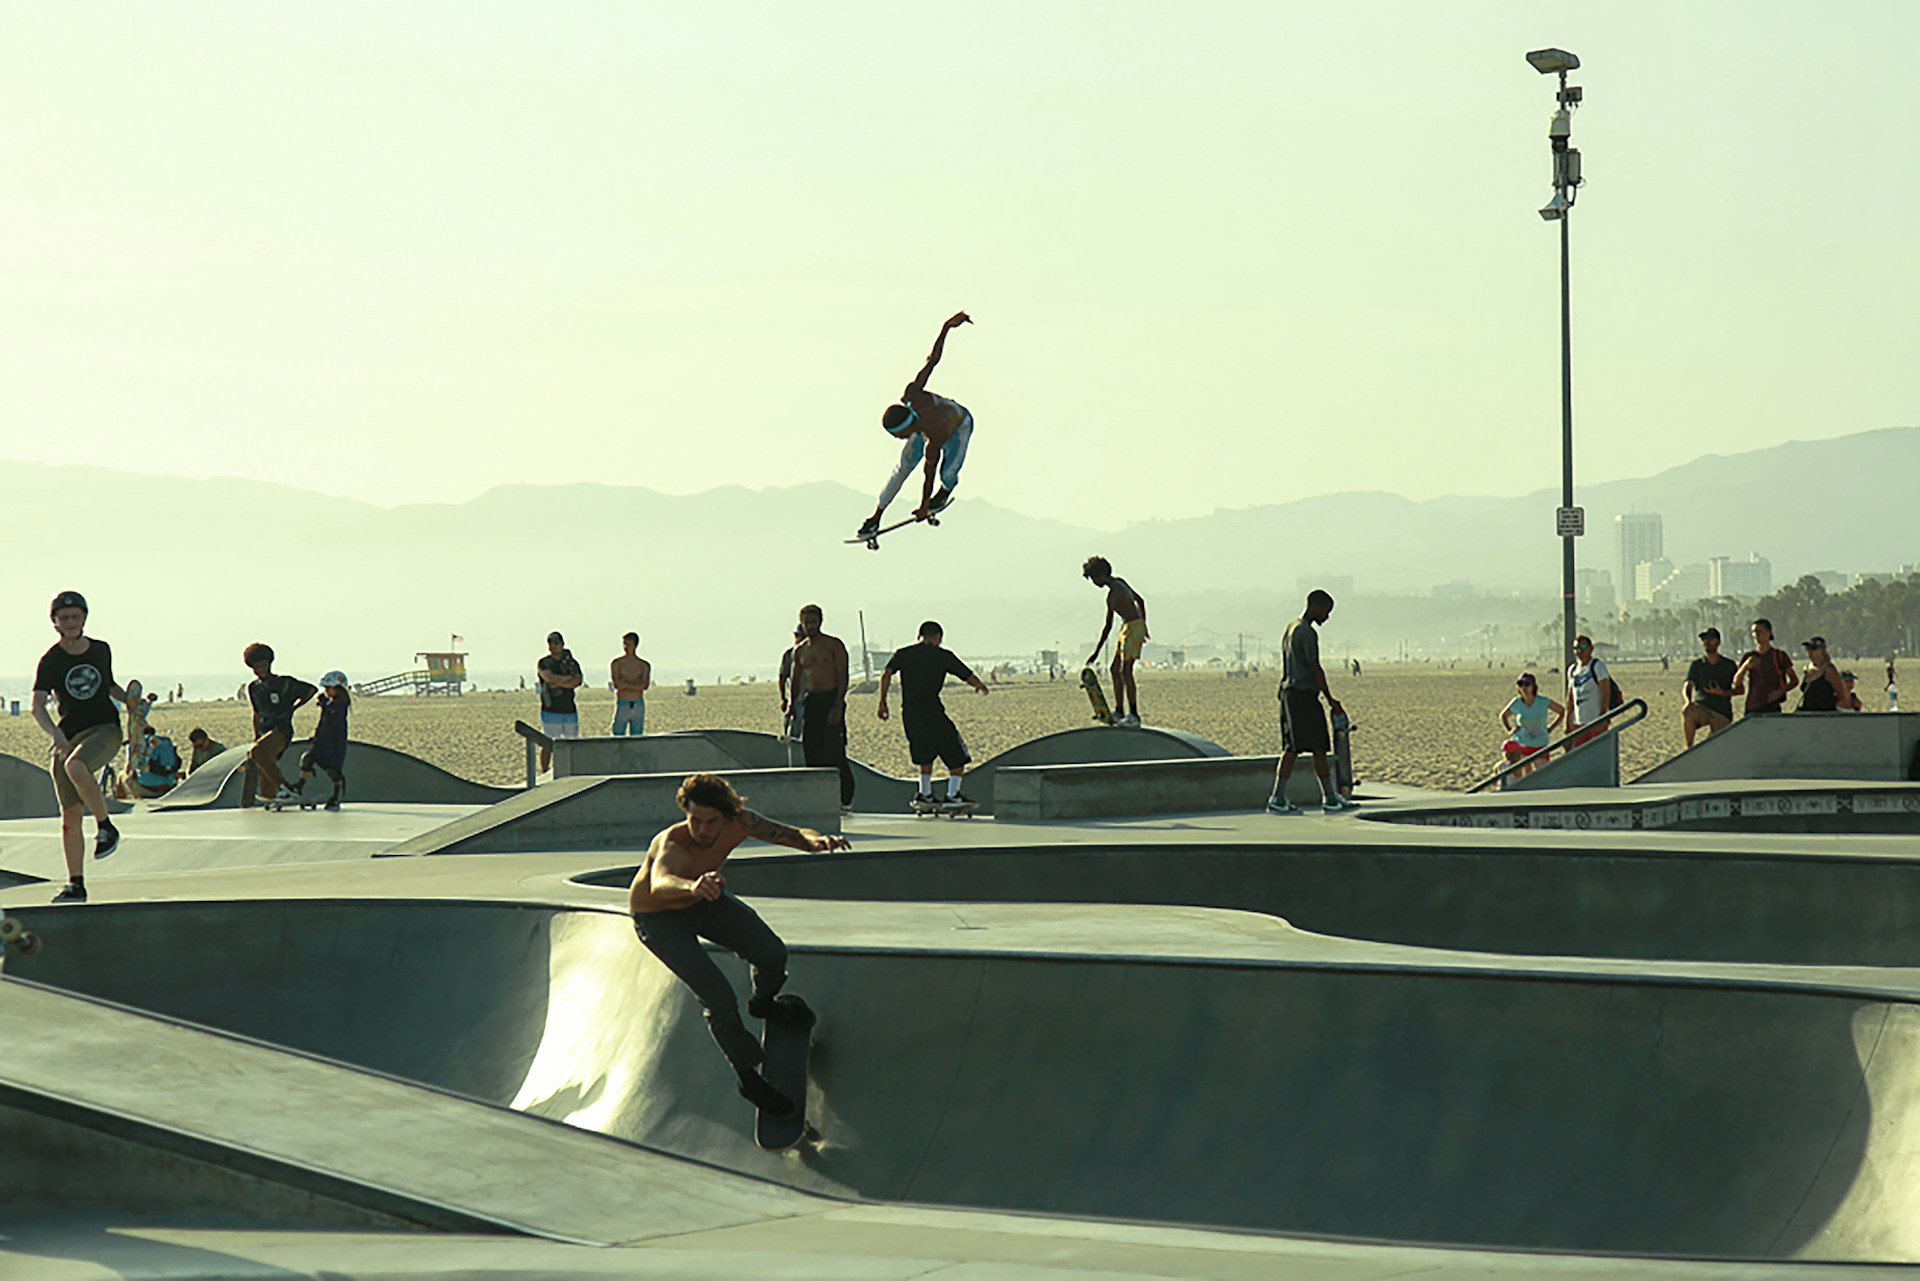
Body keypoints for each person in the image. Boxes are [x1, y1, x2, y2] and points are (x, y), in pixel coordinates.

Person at [628, 773, 850, 1116]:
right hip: (659, 920)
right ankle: (748, 1076)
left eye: (711, 822)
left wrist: (818, 841)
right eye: (694, 820)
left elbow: (791, 834)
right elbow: (660, 883)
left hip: (706, 901)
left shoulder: (742, 822)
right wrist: (692, 887)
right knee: (718, 997)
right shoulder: (672, 842)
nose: (701, 830)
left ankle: (763, 1002)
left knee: (771, 953)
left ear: (727, 816)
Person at [32, 591, 126, 901]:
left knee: (76, 765)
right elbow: (38, 706)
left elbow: (108, 686)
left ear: (84, 618)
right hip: (69, 736)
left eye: (75, 617)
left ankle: (105, 825)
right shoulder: (51, 660)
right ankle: (76, 883)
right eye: (64, 618)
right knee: (69, 816)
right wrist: (55, 735)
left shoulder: (101, 650)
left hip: (104, 729)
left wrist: (132, 701)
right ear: (55, 623)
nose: (70, 623)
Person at [857, 311, 975, 540]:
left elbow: (928, 473)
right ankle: (875, 516)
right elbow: (931, 361)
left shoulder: (934, 433)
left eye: (900, 435)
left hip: (959, 426)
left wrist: (924, 506)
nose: (900, 439)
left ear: (907, 427)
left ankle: (946, 491)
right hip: (924, 426)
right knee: (903, 467)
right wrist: (945, 328)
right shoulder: (911, 395)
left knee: (947, 473)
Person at [878, 620, 991, 807]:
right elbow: (966, 674)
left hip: (910, 713)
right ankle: (953, 794)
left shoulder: (904, 653)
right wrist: (980, 686)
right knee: (956, 754)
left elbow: (886, 673)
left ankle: (925, 793)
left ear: (919, 636)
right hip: (932, 711)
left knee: (924, 753)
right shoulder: (942, 655)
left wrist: (883, 702)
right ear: (938, 637)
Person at [1267, 590, 1354, 815]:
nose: (1327, 617)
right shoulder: (1307, 633)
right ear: (1315, 606)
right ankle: (1330, 798)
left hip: (1287, 694)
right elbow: (1315, 668)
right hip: (1303, 695)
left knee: (1291, 747)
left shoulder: (1290, 628)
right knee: (1318, 747)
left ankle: (1278, 797)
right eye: (1326, 611)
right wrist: (1330, 699)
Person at [790, 605, 854, 813]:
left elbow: (842, 675)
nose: (809, 626)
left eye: (813, 621)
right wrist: (792, 704)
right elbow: (796, 680)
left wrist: (837, 704)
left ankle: (845, 800)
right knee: (812, 750)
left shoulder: (833, 645)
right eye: (806, 622)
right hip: (812, 701)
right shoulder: (800, 650)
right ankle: (819, 797)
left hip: (831, 698)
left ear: (820, 621)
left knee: (834, 751)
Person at [244, 642, 316, 805]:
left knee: (257, 753)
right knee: (266, 772)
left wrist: (294, 707)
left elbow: (311, 690)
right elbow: (256, 713)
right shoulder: (253, 688)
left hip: (281, 730)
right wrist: (256, 735)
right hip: (264, 731)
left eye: (263, 665)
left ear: (269, 664)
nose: (260, 669)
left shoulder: (283, 682)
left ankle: (287, 788)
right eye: (256, 667)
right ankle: (271, 800)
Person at [1081, 556, 1148, 727]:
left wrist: (1096, 652)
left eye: (1094, 579)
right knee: (1114, 669)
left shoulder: (1113, 595)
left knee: (1126, 671)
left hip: (1132, 627)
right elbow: (1140, 601)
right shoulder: (1120, 582)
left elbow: (1108, 626)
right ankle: (1119, 711)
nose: (1094, 583)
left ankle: (1133, 714)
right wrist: (1143, 624)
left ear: (1101, 576)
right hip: (1130, 626)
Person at [292, 671, 351, 809]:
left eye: (328, 688)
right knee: (308, 758)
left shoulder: (340, 704)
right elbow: (323, 722)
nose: (326, 691)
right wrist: (316, 736)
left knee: (333, 769)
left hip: (333, 742)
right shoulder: (330, 703)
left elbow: (334, 718)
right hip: (322, 740)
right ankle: (299, 786)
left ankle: (336, 796)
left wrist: (324, 705)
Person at [1498, 673, 1564, 784]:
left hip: (1540, 744)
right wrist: (1510, 729)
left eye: (1527, 684)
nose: (1524, 688)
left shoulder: (1542, 701)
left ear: (1533, 686)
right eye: (1521, 684)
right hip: (1522, 744)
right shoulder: (1517, 703)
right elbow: (1503, 716)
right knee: (1525, 776)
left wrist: (1551, 728)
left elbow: (1562, 711)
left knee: (1544, 774)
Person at [1681, 627, 1738, 748]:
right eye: (1704, 639)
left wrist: (1722, 692)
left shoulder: (1729, 665)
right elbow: (1688, 684)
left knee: (1714, 745)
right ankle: (1689, 749)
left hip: (1722, 711)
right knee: (1688, 712)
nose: (1707, 642)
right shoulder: (1697, 665)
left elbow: (1740, 689)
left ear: (1718, 642)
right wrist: (1687, 701)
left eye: (1710, 639)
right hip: (1702, 707)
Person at [536, 631, 583, 772]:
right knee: (548, 743)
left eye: (556, 643)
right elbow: (549, 678)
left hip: (569, 708)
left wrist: (560, 682)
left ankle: (574, 769)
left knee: (572, 743)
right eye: (550, 643)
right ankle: (545, 769)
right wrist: (567, 678)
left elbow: (578, 680)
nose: (553, 646)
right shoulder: (544, 662)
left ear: (562, 644)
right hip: (551, 709)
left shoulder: (571, 662)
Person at [1732, 618, 1798, 717]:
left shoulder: (1779, 656)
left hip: (1772, 705)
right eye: (1754, 632)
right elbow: (1737, 682)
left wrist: (1780, 691)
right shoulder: (1749, 656)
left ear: (1769, 633)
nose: (1756, 635)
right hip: (1753, 705)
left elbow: (1794, 680)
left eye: (1760, 631)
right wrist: (1745, 666)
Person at [1564, 635, 1614, 748]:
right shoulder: (1572, 670)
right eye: (1576, 648)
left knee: (1597, 752)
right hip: (1579, 722)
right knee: (1579, 755)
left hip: (1595, 720)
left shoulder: (1597, 666)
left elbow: (1605, 692)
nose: (1579, 651)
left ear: (1590, 648)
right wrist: (1568, 720)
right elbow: (1570, 697)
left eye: (1583, 647)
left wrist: (1602, 716)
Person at [610, 633, 652, 737]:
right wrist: (635, 685)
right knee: (618, 734)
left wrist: (626, 684)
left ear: (635, 645)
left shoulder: (643, 665)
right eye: (624, 644)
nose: (625, 647)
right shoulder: (617, 663)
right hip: (623, 703)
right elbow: (617, 684)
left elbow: (645, 685)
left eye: (628, 644)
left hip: (638, 703)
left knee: (637, 735)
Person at [1796, 637, 1847, 713]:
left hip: (1824, 712)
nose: (1810, 651)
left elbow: (1841, 694)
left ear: (1822, 650)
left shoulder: (1829, 670)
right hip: (1808, 712)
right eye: (1808, 648)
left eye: (1814, 648)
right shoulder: (1808, 668)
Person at [130, 724, 182, 798]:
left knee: (124, 777)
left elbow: (131, 767)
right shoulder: (166, 742)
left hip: (147, 787)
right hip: (168, 785)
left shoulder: (139, 744)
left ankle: (131, 799)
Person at [777, 624, 805, 741]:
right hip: (795, 700)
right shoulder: (789, 655)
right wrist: (783, 699)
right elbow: (782, 678)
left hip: (812, 699)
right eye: (798, 636)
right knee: (793, 733)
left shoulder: (815, 653)